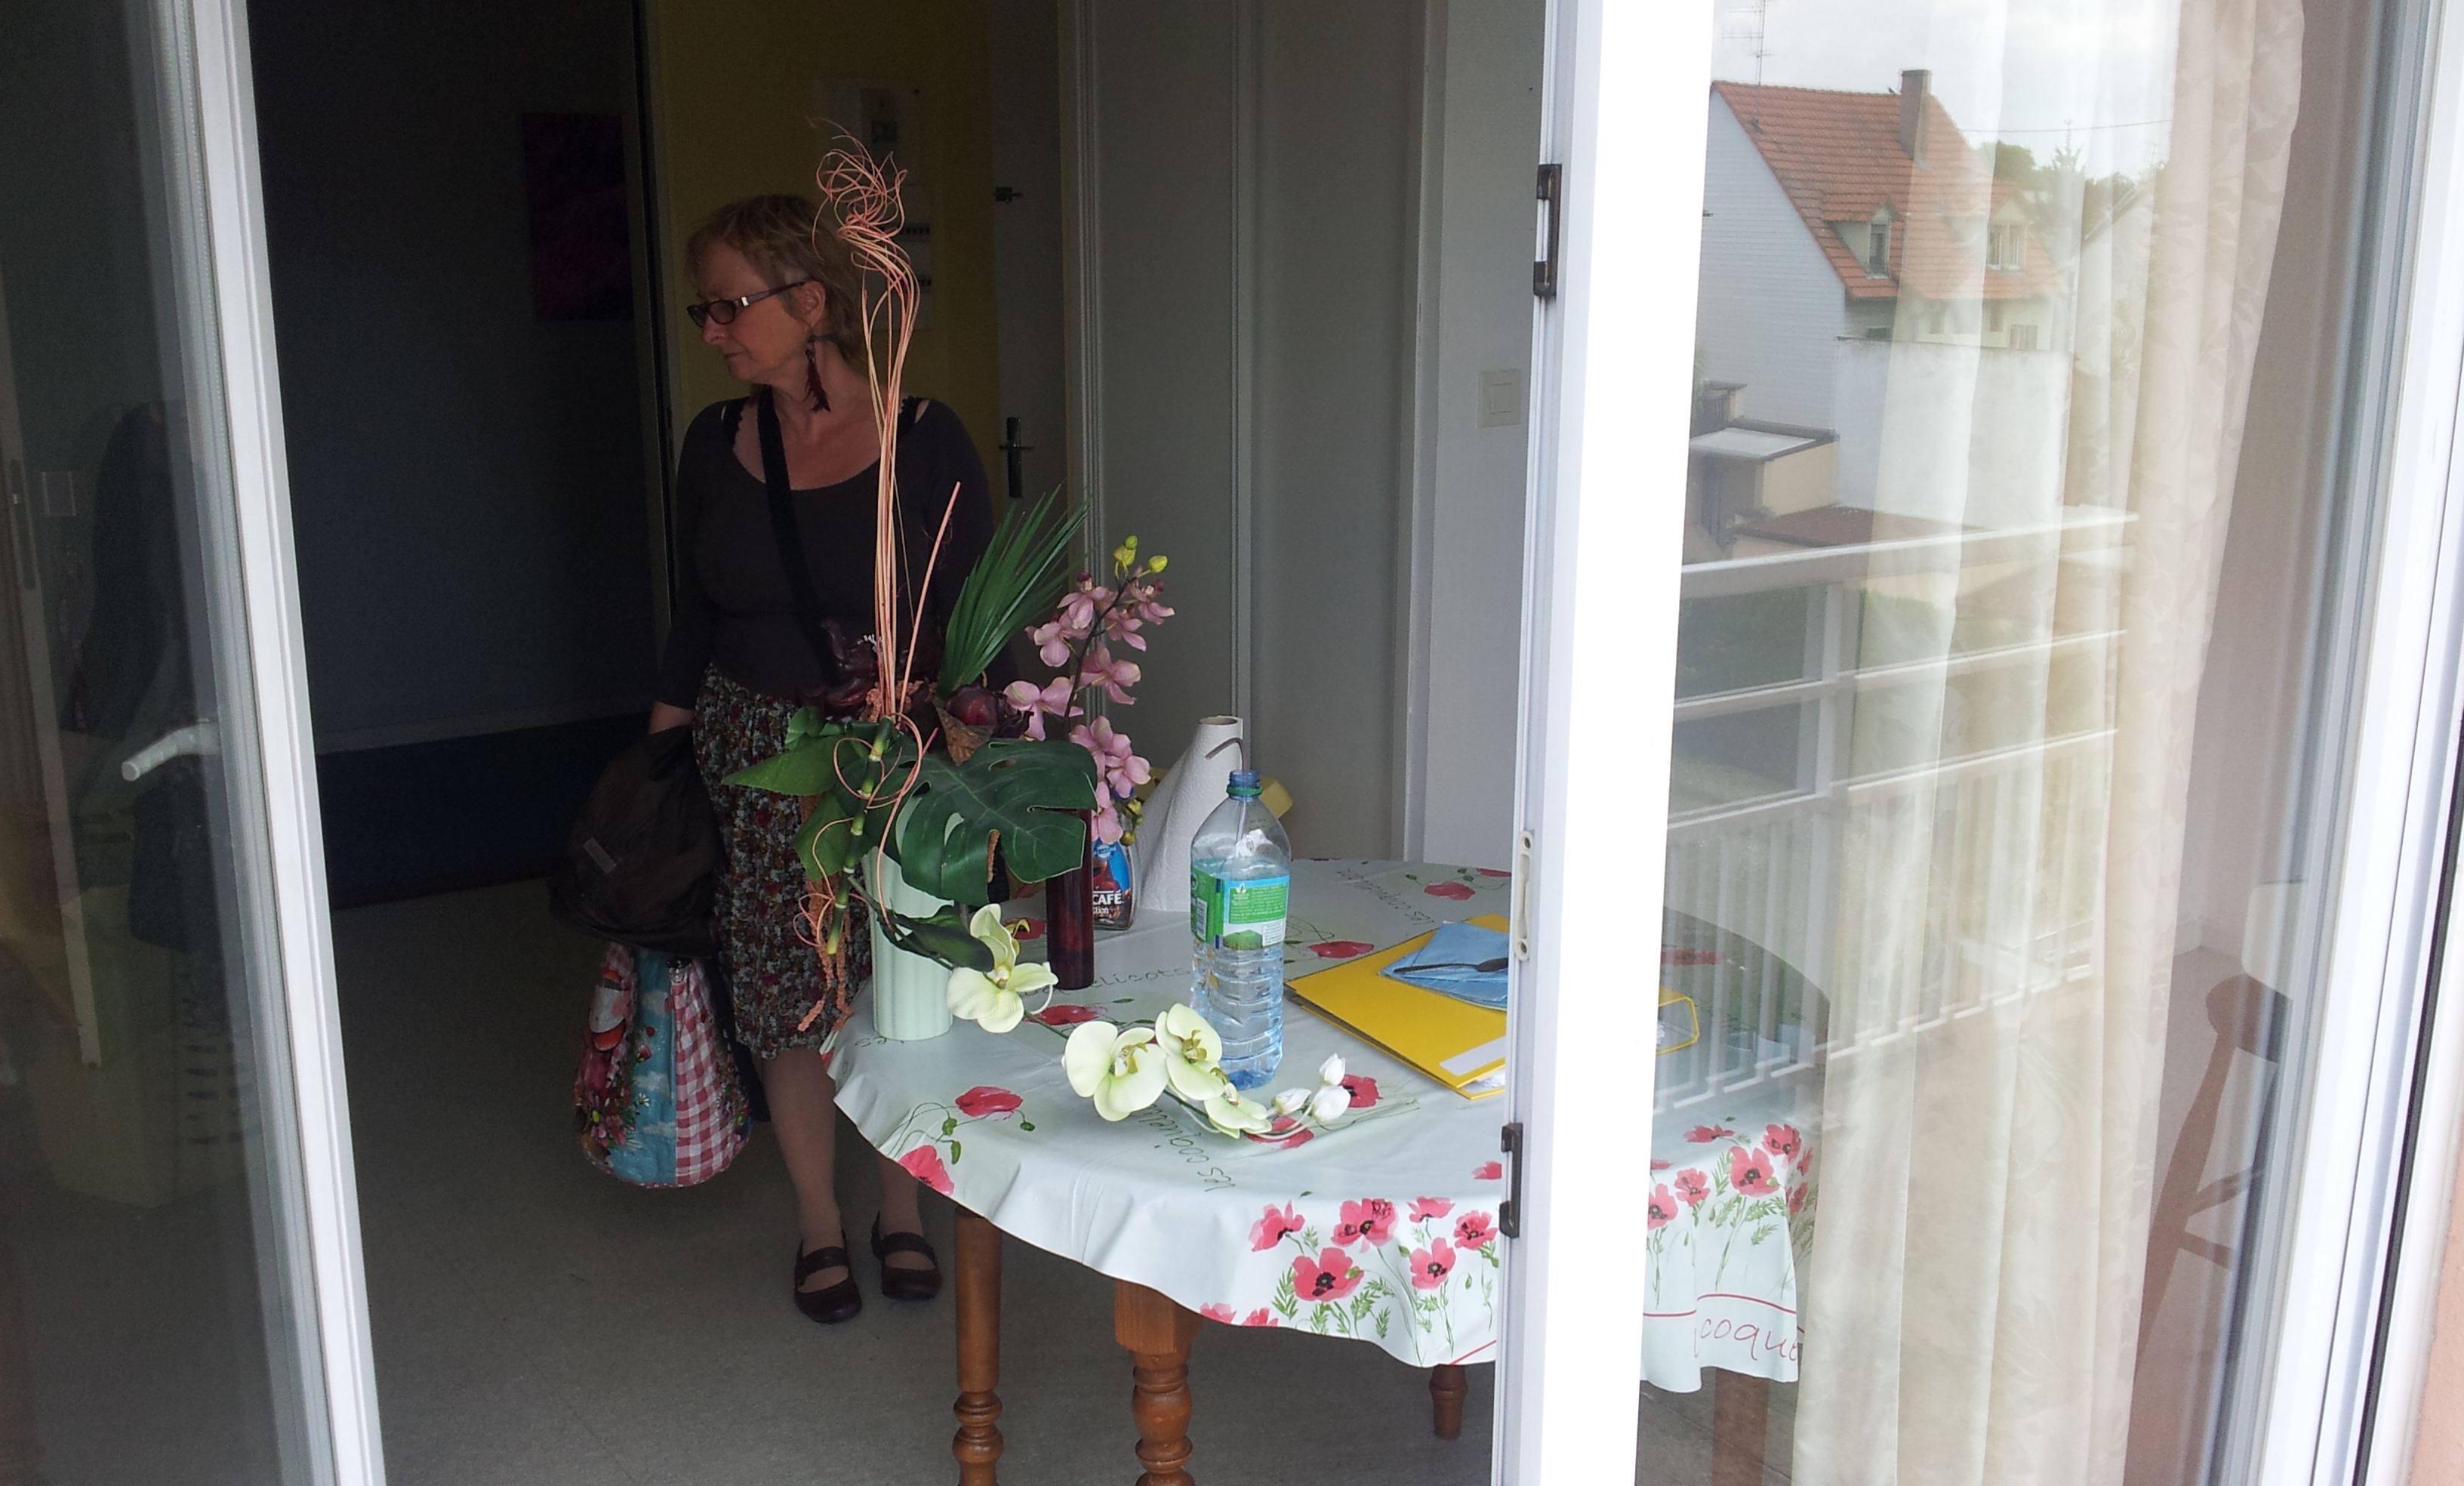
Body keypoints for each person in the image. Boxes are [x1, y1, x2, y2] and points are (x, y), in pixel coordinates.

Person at [651, 194, 996, 1324]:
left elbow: (978, 616)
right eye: (704, 310)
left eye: (729, 305)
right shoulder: (716, 443)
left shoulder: (926, 436)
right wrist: (658, 761)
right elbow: (694, 612)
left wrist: (991, 762)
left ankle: (902, 1207)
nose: (713, 330)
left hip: (898, 755)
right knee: (784, 989)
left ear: (810, 303)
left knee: (904, 982)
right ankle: (816, 1216)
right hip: (754, 757)